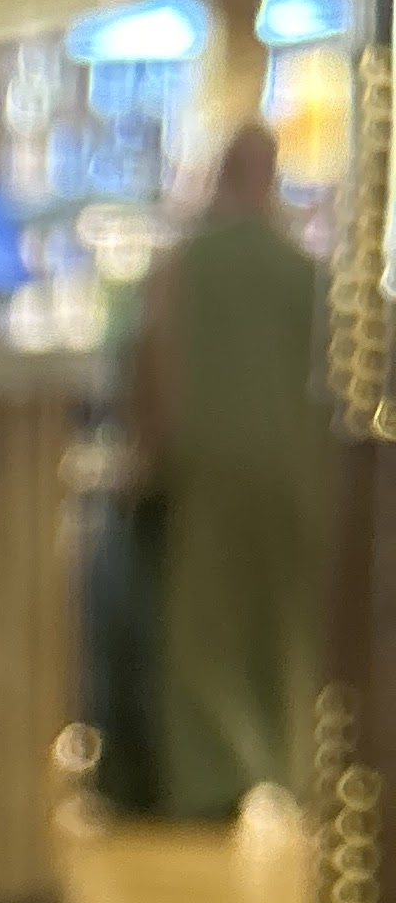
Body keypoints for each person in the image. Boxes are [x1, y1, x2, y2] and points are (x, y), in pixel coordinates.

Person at [123, 120, 331, 819]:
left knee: (203, 633)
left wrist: (147, 458)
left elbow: (154, 357)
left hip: (206, 466)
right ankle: (283, 773)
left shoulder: (184, 264)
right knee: (281, 627)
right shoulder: (308, 274)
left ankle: (213, 784)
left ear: (220, 176)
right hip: (294, 471)